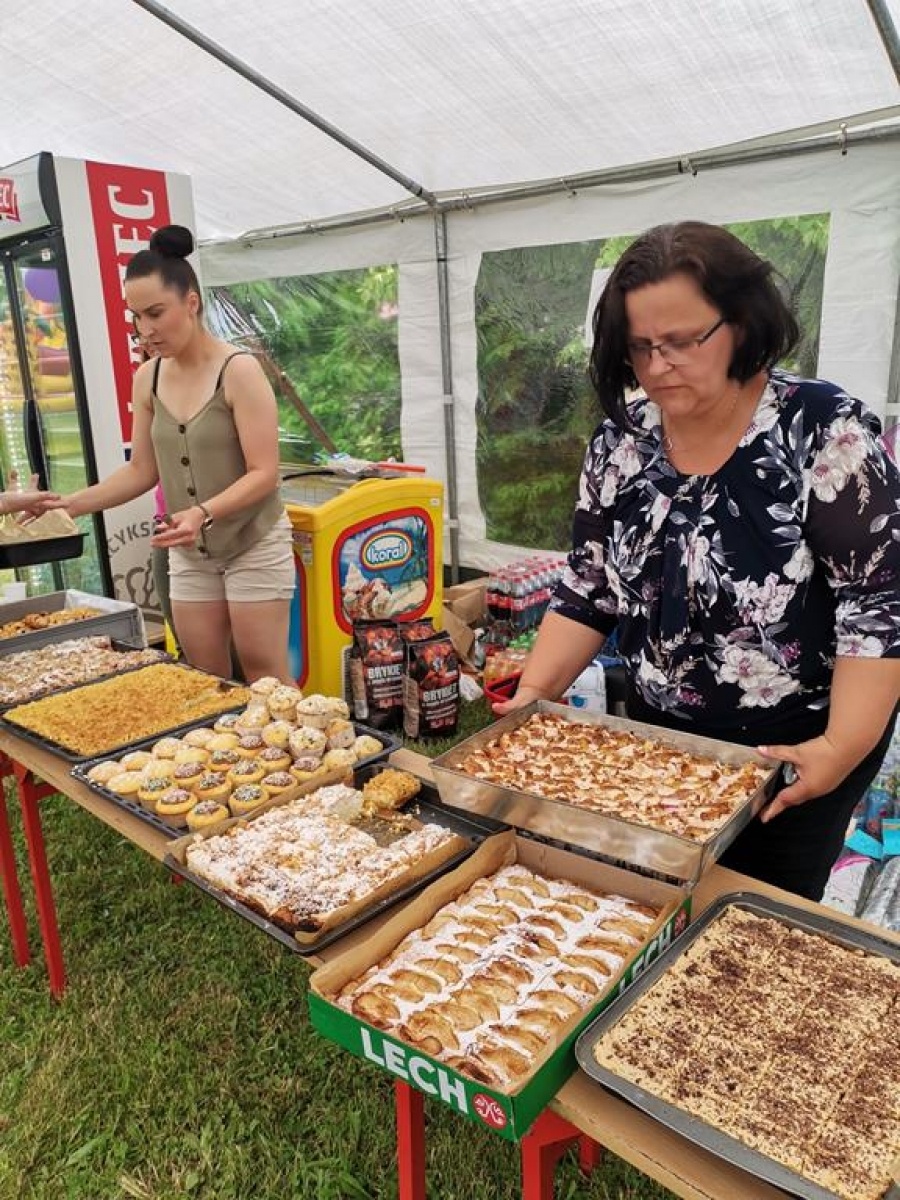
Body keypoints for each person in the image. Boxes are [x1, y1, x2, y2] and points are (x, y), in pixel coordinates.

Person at [495, 220, 900, 901]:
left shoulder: (821, 430)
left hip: (795, 751)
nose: (658, 366)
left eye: (682, 341)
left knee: (759, 916)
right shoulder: (621, 444)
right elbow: (590, 586)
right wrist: (534, 694)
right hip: (660, 740)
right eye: (640, 347)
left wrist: (837, 750)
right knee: (657, 902)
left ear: (740, 323)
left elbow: (879, 606)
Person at [46, 225, 294, 681]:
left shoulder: (239, 370)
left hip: (254, 540)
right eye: (136, 317)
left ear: (191, 302)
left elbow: (264, 472)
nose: (145, 330)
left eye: (156, 313)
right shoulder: (148, 378)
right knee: (203, 676)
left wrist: (202, 512)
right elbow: (142, 471)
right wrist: (70, 504)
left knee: (264, 672)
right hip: (189, 551)